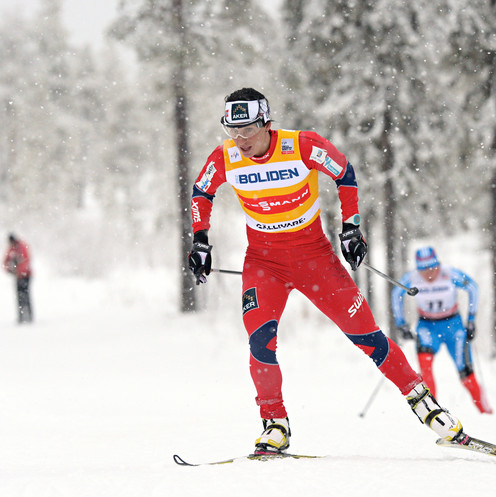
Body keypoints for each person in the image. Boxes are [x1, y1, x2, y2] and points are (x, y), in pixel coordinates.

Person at [187, 87, 467, 454]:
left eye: (248, 130)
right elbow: (201, 192)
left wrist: (351, 227)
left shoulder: (299, 145)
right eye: (232, 131)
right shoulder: (225, 157)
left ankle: (425, 404)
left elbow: (344, 172)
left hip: (315, 260)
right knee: (260, 340)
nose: (240, 140)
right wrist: (201, 240)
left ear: (266, 123)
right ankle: (274, 424)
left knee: (368, 337)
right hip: (263, 262)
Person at [391, 246, 492, 414]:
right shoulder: (412, 278)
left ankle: (486, 413)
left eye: (433, 267)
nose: (429, 273)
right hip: (427, 327)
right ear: (418, 269)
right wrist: (401, 324)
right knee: (425, 366)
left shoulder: (449, 274)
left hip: (454, 326)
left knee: (466, 374)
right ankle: (433, 413)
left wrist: (472, 319)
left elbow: (473, 287)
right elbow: (396, 294)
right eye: (424, 270)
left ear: (438, 264)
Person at [3, 233, 33, 324]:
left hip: (25, 276)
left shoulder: (21, 247)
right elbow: (5, 261)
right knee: (19, 296)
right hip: (18, 276)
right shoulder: (11, 249)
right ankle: (21, 316)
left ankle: (29, 315)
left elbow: (26, 260)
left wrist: (18, 271)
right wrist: (9, 269)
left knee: (25, 295)